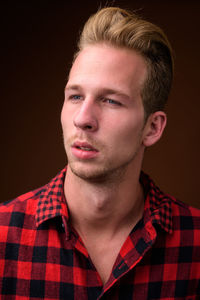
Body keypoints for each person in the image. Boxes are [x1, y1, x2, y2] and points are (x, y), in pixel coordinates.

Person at [0, 6, 199, 299]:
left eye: (110, 101)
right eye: (76, 96)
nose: (83, 118)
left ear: (152, 128)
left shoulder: (194, 245)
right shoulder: (4, 237)